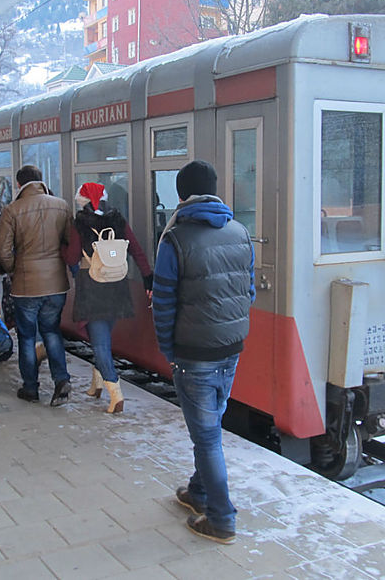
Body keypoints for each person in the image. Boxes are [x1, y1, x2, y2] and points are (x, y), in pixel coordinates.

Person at [152, 160, 255, 545]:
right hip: (231, 348)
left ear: (181, 195)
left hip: (194, 354)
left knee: (207, 439)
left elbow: (163, 303)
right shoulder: (240, 231)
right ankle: (198, 492)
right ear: (214, 189)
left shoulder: (175, 238)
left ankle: (222, 518)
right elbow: (248, 293)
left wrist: (168, 350)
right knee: (210, 427)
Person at [62, 182, 153, 413]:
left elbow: (72, 258)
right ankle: (97, 385)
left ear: (81, 200)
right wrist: (147, 278)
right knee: (101, 340)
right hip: (117, 288)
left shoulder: (80, 223)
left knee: (100, 344)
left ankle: (116, 393)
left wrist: (62, 248)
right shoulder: (118, 219)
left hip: (92, 289)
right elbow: (136, 250)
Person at [0, 164, 72, 406]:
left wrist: (15, 269)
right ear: (41, 181)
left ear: (19, 184)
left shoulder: (12, 210)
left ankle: (31, 388)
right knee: (51, 331)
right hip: (57, 284)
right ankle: (61, 381)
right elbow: (70, 242)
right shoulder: (62, 206)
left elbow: (1, 250)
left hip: (26, 285)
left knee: (27, 337)